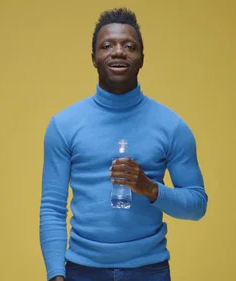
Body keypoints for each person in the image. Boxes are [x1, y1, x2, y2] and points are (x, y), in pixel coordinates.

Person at [39, 7, 208, 281]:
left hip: (150, 271)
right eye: (107, 45)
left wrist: (151, 189)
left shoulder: (172, 126)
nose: (118, 52)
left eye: (129, 46)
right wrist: (56, 275)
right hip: (82, 271)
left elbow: (197, 204)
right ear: (93, 58)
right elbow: (52, 208)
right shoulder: (63, 125)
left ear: (141, 58)